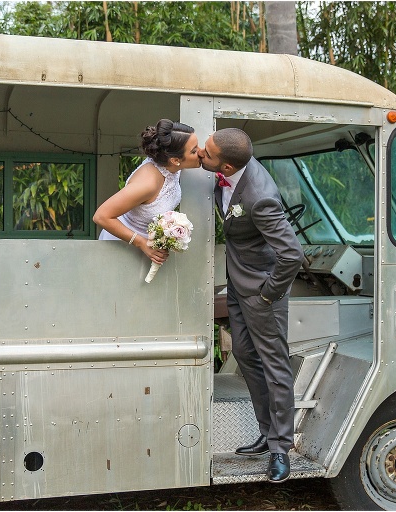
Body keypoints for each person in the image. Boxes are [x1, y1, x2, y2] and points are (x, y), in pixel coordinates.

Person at [198, 128, 304, 483]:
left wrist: (268, 294)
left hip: (262, 292)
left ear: (225, 166)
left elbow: (292, 255)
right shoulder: (227, 171)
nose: (201, 152)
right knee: (244, 353)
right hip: (239, 284)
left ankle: (280, 448)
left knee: (275, 366)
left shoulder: (260, 198)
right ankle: (266, 431)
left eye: (207, 152)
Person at [93, 119, 199, 266]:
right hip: (122, 247)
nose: (200, 152)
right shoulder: (148, 184)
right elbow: (101, 216)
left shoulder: (170, 166)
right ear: (175, 160)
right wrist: (141, 243)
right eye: (194, 151)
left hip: (147, 251)